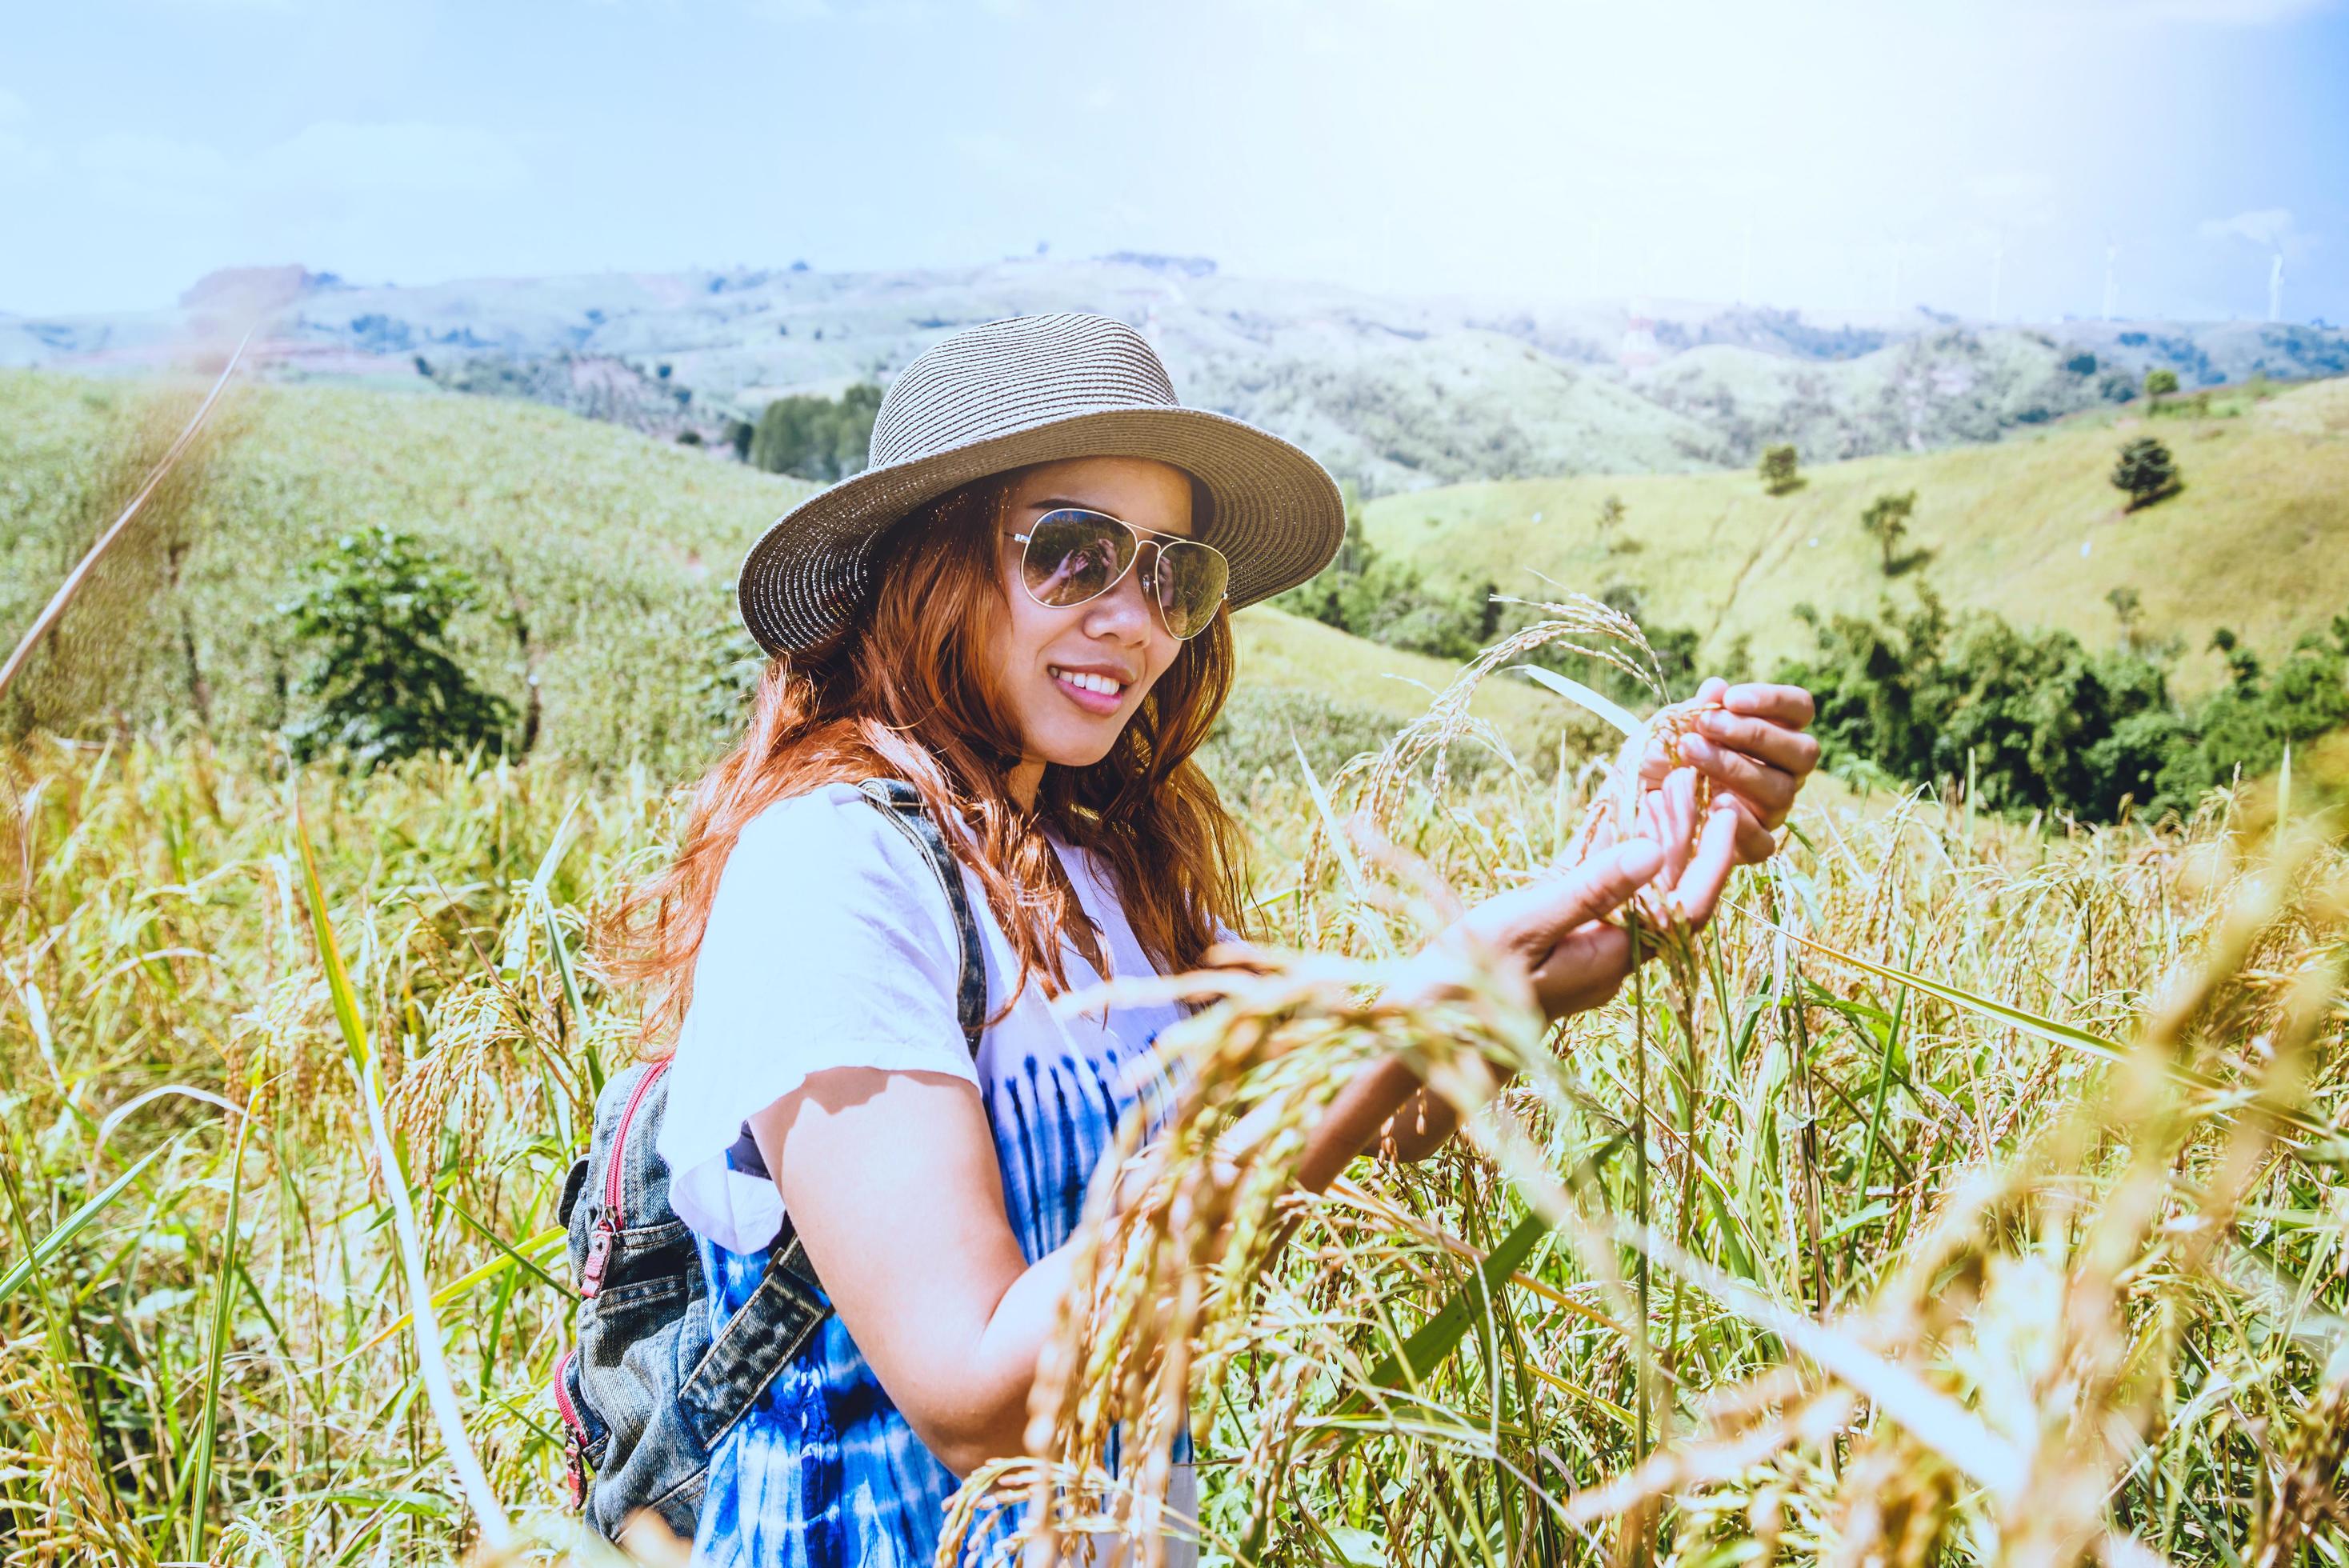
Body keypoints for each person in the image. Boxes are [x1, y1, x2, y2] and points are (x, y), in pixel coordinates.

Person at [614, 314, 1819, 1566]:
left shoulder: (1111, 875)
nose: (1134, 620)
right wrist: (1419, 1016)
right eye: (1074, 555)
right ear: (930, 562)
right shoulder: (836, 868)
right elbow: (978, 1397)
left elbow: (1389, 1110)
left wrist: (1612, 887)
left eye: (1171, 575)